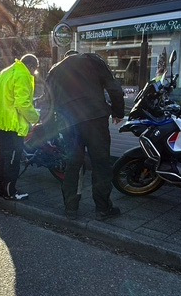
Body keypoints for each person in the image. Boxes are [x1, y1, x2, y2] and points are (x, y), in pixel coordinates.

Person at [46, 51, 125, 219]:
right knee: (101, 163)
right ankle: (103, 209)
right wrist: (118, 112)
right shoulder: (92, 60)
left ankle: (71, 208)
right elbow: (114, 88)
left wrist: (52, 125)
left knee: (73, 164)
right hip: (95, 119)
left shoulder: (54, 70)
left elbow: (49, 102)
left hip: (69, 123)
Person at [0, 54, 40, 200]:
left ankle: (0, 187)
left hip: (0, 123)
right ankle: (10, 192)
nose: (34, 73)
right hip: (13, 126)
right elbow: (22, 104)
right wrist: (36, 118)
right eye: (35, 69)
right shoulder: (22, 74)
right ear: (31, 66)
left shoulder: (4, 72)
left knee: (3, 157)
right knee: (12, 161)